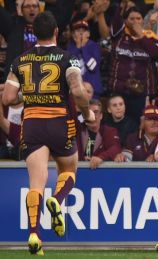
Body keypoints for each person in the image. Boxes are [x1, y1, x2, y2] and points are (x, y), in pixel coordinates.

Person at [1, 11, 94, 255]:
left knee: (36, 183)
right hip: (59, 123)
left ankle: (34, 234)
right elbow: (78, 91)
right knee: (69, 170)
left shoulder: (20, 61)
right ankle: (58, 200)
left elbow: (8, 98)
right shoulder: (67, 59)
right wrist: (88, 113)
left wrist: (29, 94)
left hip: (31, 124)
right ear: (56, 32)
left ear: (33, 32)